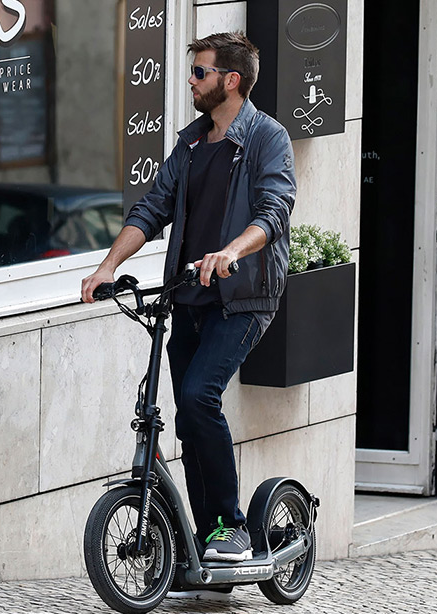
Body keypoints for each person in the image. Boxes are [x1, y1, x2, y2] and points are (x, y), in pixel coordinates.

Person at [82, 31, 296, 562]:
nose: (191, 81)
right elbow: (153, 208)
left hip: (243, 298)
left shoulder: (267, 138)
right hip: (189, 297)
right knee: (186, 414)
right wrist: (109, 265)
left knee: (200, 396)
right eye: (192, 71)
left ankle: (233, 525)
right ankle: (206, 538)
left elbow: (274, 211)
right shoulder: (191, 143)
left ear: (231, 80)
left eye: (199, 72)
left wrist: (231, 251)